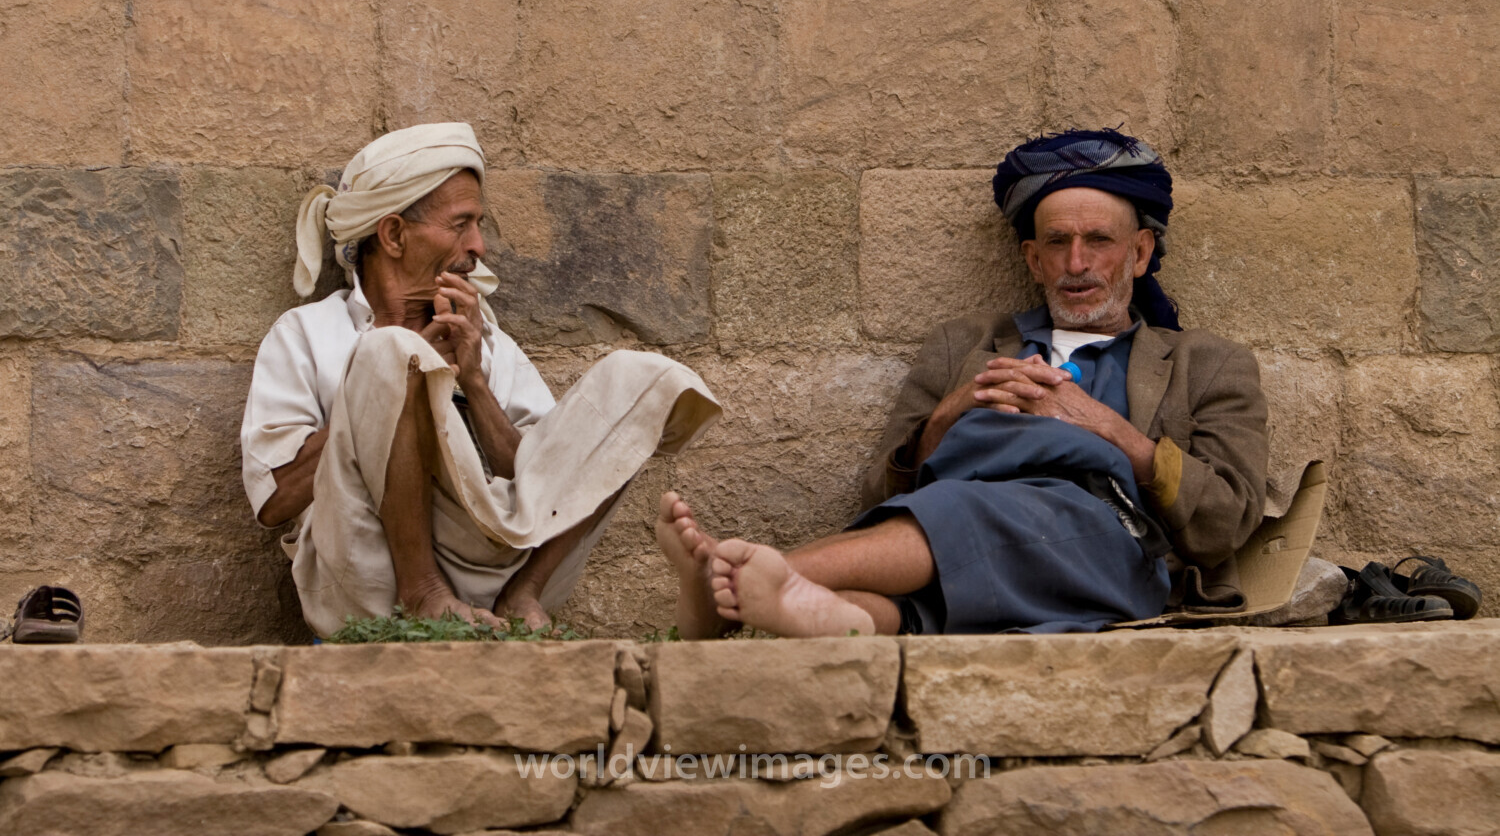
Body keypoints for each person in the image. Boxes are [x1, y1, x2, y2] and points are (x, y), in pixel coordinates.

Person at [659, 129, 1268, 637]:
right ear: (1033, 259)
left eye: (1098, 242)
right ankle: (791, 606)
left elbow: (1225, 522)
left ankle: (740, 586)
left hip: (1110, 541)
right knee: (911, 613)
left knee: (972, 507)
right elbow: (879, 493)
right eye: (1057, 242)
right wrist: (953, 412)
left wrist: (1104, 427)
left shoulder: (1208, 363)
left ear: (1139, 253)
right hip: (963, 527)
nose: (1076, 263)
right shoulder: (965, 345)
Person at [242, 123, 721, 639]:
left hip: (489, 571)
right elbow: (273, 502)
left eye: (478, 224)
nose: (479, 246)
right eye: (461, 224)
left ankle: (524, 594)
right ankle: (422, 591)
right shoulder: (307, 334)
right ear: (395, 235)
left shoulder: (485, 338)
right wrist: (392, 385)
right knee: (390, 351)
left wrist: (472, 380)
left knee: (643, 376)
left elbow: (546, 478)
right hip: (365, 576)